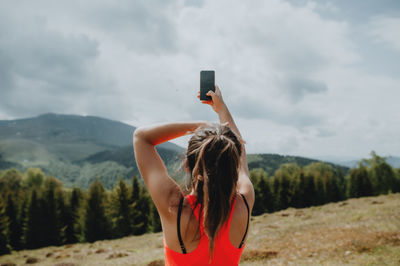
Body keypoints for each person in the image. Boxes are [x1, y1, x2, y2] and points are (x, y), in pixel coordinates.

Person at [133, 85, 255, 265]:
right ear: (233, 165)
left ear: (188, 166)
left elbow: (141, 137)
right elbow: (239, 151)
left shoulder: (175, 210)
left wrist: (204, 126)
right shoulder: (244, 202)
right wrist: (222, 111)